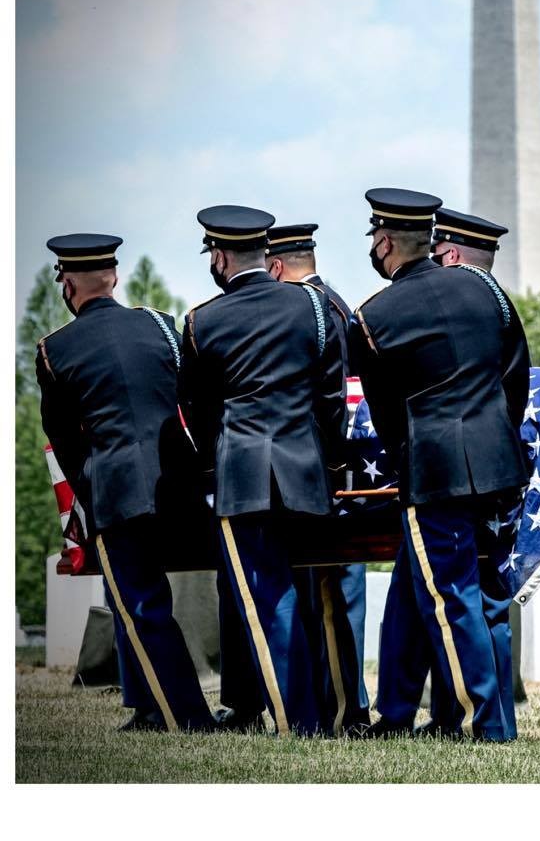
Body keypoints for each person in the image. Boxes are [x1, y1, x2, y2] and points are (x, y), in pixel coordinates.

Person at [349, 189, 530, 741]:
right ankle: (397, 713)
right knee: (416, 587)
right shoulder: (485, 289)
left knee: (452, 596)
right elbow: (515, 373)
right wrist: (494, 434)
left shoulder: (373, 316)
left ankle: (486, 725)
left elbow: (385, 413)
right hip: (499, 465)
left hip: (435, 472)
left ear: (384, 242)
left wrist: (413, 459)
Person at [178, 205, 346, 737]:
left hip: (243, 474)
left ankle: (301, 720)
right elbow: (332, 393)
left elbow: (198, 411)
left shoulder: (202, 321)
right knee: (313, 594)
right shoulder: (313, 308)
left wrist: (219, 457)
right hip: (305, 471)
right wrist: (329, 456)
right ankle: (335, 708)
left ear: (220, 257)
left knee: (264, 598)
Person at [36, 234, 213, 733]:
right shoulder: (159, 323)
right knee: (137, 602)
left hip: (116, 491)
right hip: (177, 482)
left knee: (140, 605)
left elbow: (64, 440)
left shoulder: (55, 349)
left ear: (67, 285)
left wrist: (90, 490)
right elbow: (189, 402)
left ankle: (185, 716)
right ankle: (149, 706)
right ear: (113, 278)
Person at [267, 221, 371, 735]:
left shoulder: (306, 311)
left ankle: (341, 710)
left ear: (276, 266)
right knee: (338, 596)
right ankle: (348, 705)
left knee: (327, 595)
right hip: (345, 467)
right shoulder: (340, 305)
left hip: (324, 468)